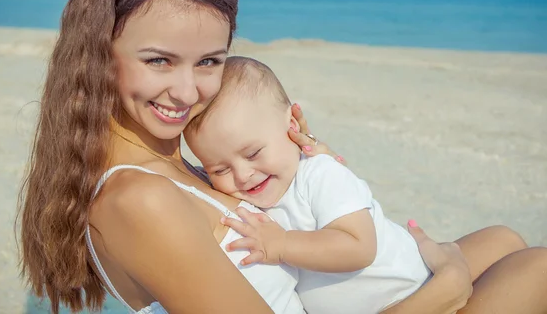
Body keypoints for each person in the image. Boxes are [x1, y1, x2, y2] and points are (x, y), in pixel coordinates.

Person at [16, 0, 546, 314]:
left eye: (209, 62)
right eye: (159, 60)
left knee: (503, 240)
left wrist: (300, 163)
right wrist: (446, 288)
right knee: (538, 267)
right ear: (97, 54)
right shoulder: (140, 199)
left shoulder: (180, 161)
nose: (186, 92)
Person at [184, 55, 547, 314]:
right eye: (219, 168)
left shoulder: (319, 173)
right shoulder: (245, 196)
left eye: (252, 152)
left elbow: (359, 248)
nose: (243, 175)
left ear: (291, 123)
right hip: (409, 304)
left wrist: (282, 244)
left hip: (412, 283)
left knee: (504, 238)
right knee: (538, 266)